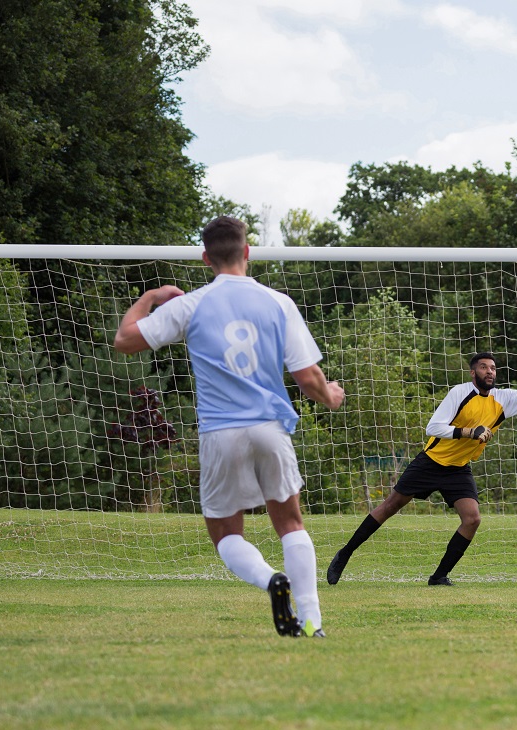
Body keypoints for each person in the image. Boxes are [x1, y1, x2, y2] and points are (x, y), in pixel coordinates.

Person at [114, 216, 345, 637]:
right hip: (270, 426)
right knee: (291, 523)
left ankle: (269, 580)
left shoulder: (192, 304)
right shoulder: (278, 302)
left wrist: (151, 296)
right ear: (247, 251)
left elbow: (125, 339)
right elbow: (308, 377)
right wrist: (331, 396)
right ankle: (312, 621)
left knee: (224, 533)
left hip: (220, 432)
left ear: (206, 258)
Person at [327, 347, 517, 586]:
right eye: (483, 367)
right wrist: (469, 432)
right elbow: (433, 427)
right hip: (431, 461)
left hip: (458, 468)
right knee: (390, 506)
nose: (489, 371)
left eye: (492, 368)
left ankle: (439, 576)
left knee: (472, 519)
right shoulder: (459, 393)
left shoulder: (503, 399)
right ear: (473, 373)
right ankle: (345, 554)